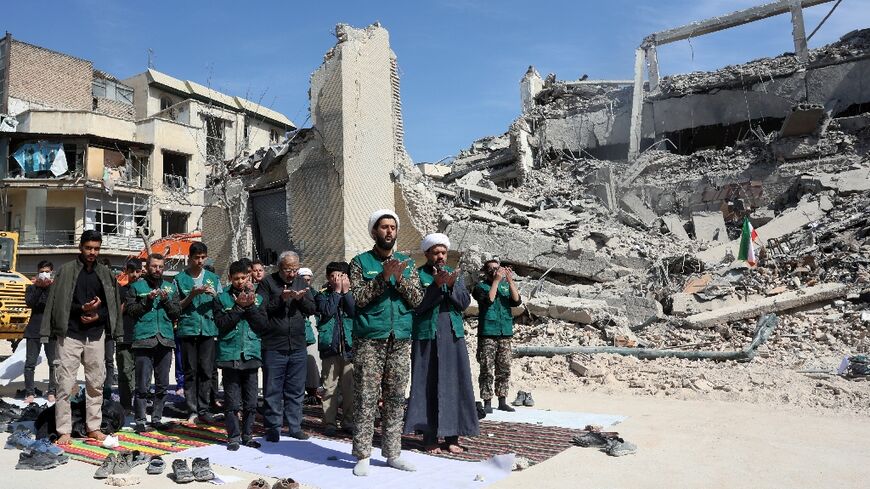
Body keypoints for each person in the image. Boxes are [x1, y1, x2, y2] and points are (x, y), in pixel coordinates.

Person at [349, 209, 422, 476]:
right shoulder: (360, 262)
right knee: (366, 397)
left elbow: (417, 299)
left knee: (395, 398)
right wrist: (382, 279)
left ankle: (393, 453)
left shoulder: (407, 263)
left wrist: (399, 279)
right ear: (374, 232)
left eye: (393, 227)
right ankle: (363, 455)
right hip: (370, 339)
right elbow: (358, 298)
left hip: (400, 338)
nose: (389, 231)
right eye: (384, 227)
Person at [41, 230, 122, 444]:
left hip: (95, 335)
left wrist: (97, 313)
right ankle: (64, 431)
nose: (92, 252)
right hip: (70, 334)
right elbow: (59, 302)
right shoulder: (66, 271)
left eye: (96, 248)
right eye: (88, 248)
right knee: (65, 384)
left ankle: (93, 427)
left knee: (96, 383)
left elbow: (112, 306)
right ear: (81, 247)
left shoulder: (105, 273)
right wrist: (81, 309)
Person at [404, 233, 479, 453]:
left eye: (443, 252)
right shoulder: (417, 276)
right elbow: (416, 305)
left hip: (452, 336)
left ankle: (452, 437)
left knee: (455, 384)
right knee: (427, 384)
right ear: (427, 254)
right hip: (427, 336)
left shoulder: (455, 275)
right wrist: (436, 286)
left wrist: (452, 285)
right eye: (435, 252)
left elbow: (464, 303)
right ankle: (429, 438)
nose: (440, 256)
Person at [259, 250, 315, 442]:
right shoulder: (267, 283)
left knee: (296, 389)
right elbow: (262, 309)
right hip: (274, 344)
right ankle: (273, 427)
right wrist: (281, 299)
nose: (291, 274)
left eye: (295, 269)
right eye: (287, 269)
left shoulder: (301, 282)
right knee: (273, 388)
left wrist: (300, 299)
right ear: (279, 267)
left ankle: (294, 426)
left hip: (298, 344)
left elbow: (312, 308)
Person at [213, 260, 267, 450]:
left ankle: (248, 435)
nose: (240, 282)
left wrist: (250, 307)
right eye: (236, 279)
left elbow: (262, 325)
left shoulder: (259, 299)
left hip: (251, 354)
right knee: (232, 401)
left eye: (243, 278)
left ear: (249, 277)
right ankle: (233, 437)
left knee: (251, 402)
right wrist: (237, 308)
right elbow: (220, 324)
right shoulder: (221, 299)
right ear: (230, 278)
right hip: (230, 355)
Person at [126, 253, 180, 432]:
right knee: (142, 384)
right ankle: (140, 420)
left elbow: (176, 313)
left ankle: (156, 418)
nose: (157, 270)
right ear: (147, 267)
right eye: (154, 266)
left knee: (163, 384)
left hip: (165, 340)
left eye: (161, 267)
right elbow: (131, 311)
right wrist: (146, 301)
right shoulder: (136, 287)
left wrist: (165, 300)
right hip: (144, 339)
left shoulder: (170, 288)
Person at [174, 242, 222, 423]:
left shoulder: (213, 278)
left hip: (208, 330)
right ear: (189, 258)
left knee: (206, 370)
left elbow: (222, 301)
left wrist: (215, 296)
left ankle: (204, 408)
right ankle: (192, 409)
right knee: (190, 371)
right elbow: (176, 307)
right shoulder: (180, 279)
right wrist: (192, 295)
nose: (200, 261)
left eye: (203, 257)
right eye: (196, 258)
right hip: (188, 329)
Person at [472, 257, 522, 414]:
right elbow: (489, 300)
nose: (495, 271)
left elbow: (517, 301)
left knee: (504, 367)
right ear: (486, 272)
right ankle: (487, 400)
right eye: (491, 269)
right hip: (488, 332)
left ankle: (502, 400)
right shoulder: (480, 287)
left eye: (497, 268)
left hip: (505, 332)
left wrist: (509, 280)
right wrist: (496, 281)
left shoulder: (505, 286)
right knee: (486, 367)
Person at [314, 262, 355, 437]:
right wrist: (337, 293)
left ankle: (349, 421)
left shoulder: (353, 294)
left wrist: (345, 293)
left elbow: (354, 312)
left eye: (341, 276)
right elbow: (327, 311)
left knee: (350, 388)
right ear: (328, 278)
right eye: (333, 276)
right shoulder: (322, 295)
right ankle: (329, 422)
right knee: (329, 387)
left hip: (349, 347)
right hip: (330, 348)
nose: (337, 279)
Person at [23, 260, 56, 403]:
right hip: (34, 330)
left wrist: (48, 287)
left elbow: (54, 305)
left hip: (51, 329)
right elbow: (30, 303)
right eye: (42, 271)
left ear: (51, 272)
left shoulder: (55, 288)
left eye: (47, 271)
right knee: (30, 363)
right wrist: (38, 287)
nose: (44, 274)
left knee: (53, 363)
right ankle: (29, 392)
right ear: (37, 272)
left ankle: (52, 391)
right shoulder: (31, 288)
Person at [116, 258, 143, 414]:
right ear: (126, 272)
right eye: (131, 271)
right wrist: (128, 302)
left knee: (142, 374)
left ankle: (140, 405)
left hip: (143, 337)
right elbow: (117, 313)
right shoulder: (121, 290)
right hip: (125, 336)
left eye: (137, 271)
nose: (134, 275)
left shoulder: (146, 289)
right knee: (125, 373)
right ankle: (126, 405)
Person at [298, 267, 321, 406]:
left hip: (311, 328)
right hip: (297, 330)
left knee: (312, 362)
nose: (306, 282)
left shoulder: (314, 293)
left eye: (308, 279)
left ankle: (312, 392)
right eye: (304, 279)